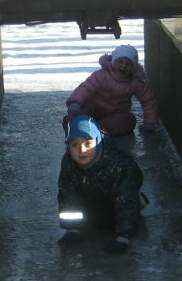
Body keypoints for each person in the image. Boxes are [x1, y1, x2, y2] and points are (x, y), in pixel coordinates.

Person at [57, 114, 145, 255]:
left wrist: (123, 237)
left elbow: (126, 201)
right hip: (91, 191)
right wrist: (72, 228)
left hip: (122, 191)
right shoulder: (69, 164)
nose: (82, 150)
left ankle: (138, 202)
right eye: (75, 144)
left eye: (87, 143)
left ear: (97, 142)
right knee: (92, 217)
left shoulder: (116, 165)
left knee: (110, 218)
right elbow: (67, 195)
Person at [65, 44, 162, 136]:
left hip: (116, 115)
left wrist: (150, 122)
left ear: (133, 67)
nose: (123, 66)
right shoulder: (101, 75)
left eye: (128, 64)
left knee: (129, 120)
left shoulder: (135, 82)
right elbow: (86, 88)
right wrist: (75, 102)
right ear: (113, 62)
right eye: (120, 62)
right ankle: (75, 124)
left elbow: (148, 100)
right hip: (95, 109)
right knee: (83, 111)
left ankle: (100, 130)